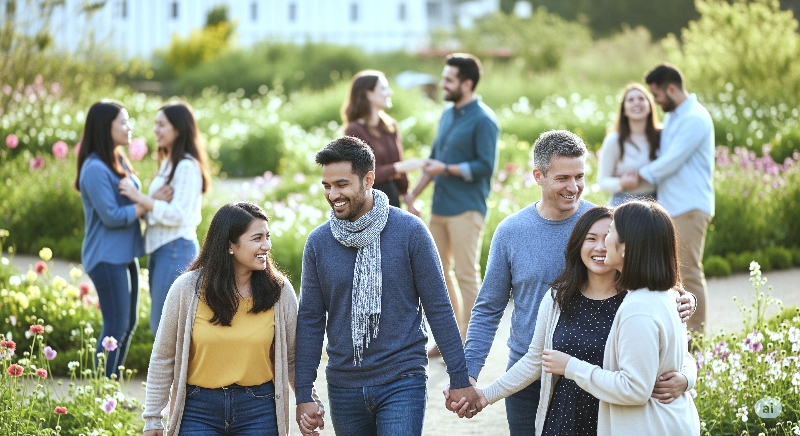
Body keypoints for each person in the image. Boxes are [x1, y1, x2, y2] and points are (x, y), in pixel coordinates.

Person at [460, 130, 696, 435]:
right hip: (530, 369)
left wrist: (680, 298)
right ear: (538, 176)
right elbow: (488, 308)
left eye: (580, 176)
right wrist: (469, 376)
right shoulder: (511, 232)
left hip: (604, 378)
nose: (574, 188)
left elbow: (652, 284)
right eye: (562, 178)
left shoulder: (605, 223)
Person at [294, 136, 481, 436]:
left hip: (402, 379)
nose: (332, 194)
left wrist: (460, 377)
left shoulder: (410, 232)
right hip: (343, 385)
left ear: (368, 179)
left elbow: (439, 307)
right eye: (326, 186)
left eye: (341, 184)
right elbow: (311, 320)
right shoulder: (318, 243)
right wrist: (303, 392)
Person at [142, 202, 323, 436]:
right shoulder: (186, 290)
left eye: (267, 237)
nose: (266, 245)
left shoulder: (280, 291)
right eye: (257, 238)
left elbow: (292, 358)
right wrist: (153, 418)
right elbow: (163, 357)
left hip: (259, 408)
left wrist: (309, 401)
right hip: (198, 409)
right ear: (230, 245)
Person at [541, 200, 701, 436]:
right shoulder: (666, 295)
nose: (604, 243)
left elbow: (634, 390)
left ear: (626, 247)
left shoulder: (638, 309)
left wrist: (571, 367)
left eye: (611, 232)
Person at [407, 53, 499, 346]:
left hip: (467, 209)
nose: (443, 84)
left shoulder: (484, 119)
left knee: (466, 274)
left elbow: (485, 166)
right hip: (440, 208)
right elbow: (433, 160)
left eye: (449, 79)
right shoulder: (447, 115)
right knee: (440, 275)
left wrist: (445, 169)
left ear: (467, 83)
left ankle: (472, 340)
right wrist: (413, 194)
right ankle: (451, 339)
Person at [634, 63, 715, 333]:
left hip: (690, 206)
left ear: (671, 88)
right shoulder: (675, 116)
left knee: (689, 272)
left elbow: (671, 161)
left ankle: (698, 339)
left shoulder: (695, 117)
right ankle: (680, 335)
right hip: (674, 205)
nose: (655, 101)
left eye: (656, 94)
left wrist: (636, 175)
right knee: (674, 272)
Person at [119, 101, 211, 336]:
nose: (155, 130)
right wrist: (149, 202)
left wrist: (140, 198)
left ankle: (171, 375)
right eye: (155, 124)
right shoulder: (169, 163)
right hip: (163, 250)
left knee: (166, 328)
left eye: (162, 124)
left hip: (175, 249)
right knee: (164, 325)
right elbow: (158, 211)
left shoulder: (186, 167)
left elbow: (178, 215)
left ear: (178, 129)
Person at [75, 100, 146, 378]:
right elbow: (112, 216)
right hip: (106, 258)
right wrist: (145, 205)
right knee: (115, 325)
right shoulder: (94, 168)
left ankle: (109, 389)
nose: (129, 128)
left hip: (124, 255)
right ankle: (100, 394)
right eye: (123, 122)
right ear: (107, 128)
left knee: (128, 323)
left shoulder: (115, 158)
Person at [342, 70, 423, 213]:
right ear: (369, 94)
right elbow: (361, 175)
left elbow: (399, 164)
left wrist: (408, 198)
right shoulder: (354, 130)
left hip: (392, 200)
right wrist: (398, 167)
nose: (389, 93)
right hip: (368, 205)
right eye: (384, 88)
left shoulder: (390, 126)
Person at [597, 83, 660, 206]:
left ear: (650, 106)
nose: (636, 103)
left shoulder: (662, 136)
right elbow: (602, 182)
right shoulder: (613, 140)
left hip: (656, 203)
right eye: (630, 100)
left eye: (641, 99)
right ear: (624, 110)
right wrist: (621, 183)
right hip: (622, 204)